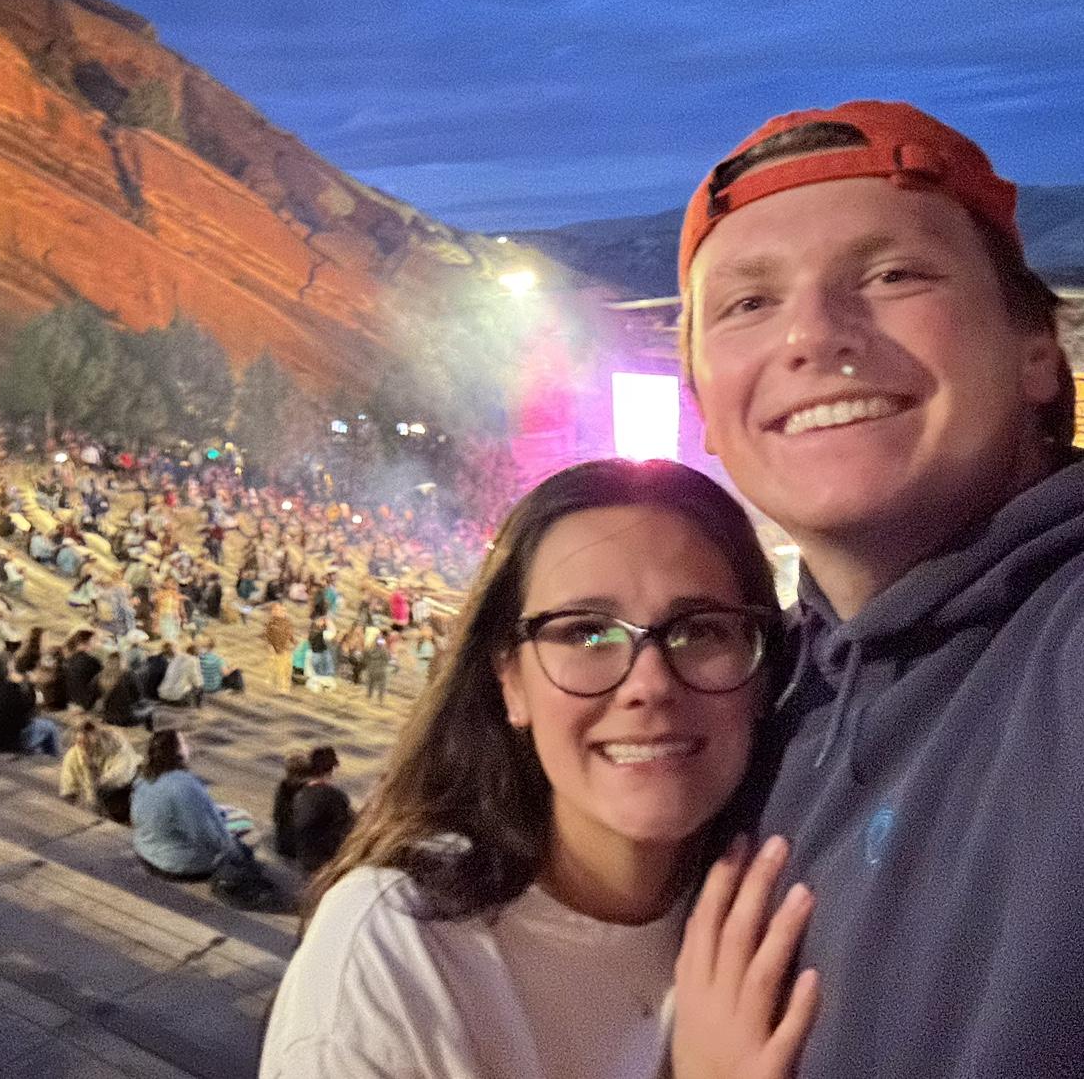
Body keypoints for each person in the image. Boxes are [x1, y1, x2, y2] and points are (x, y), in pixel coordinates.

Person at [674, 99, 1084, 1079]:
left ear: (1038, 350)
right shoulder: (751, 707)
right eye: (747, 303)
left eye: (895, 274)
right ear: (707, 412)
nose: (813, 336)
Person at [261, 459, 803, 1079]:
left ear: (763, 674)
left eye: (701, 630)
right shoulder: (396, 952)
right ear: (511, 682)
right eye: (586, 633)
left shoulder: (792, 910)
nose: (649, 684)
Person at [131, 728, 249, 881]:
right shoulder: (185, 785)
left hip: (146, 851)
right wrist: (236, 853)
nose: (188, 747)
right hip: (178, 864)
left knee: (224, 812)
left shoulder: (144, 779)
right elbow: (207, 835)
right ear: (177, 752)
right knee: (244, 822)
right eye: (184, 743)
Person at [0, 657, 62, 756]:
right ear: (7, 671)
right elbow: (28, 713)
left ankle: (40, 753)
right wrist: (31, 685)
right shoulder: (12, 689)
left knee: (39, 728)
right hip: (7, 742)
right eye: (12, 669)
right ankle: (55, 758)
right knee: (49, 726)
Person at [59, 718, 141, 822]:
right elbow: (68, 789)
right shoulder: (73, 756)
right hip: (96, 799)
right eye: (80, 742)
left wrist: (96, 779)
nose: (84, 746)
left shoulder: (116, 745)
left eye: (87, 741)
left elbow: (123, 774)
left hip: (121, 790)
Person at [290, 745, 354, 877]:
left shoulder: (300, 794)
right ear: (331, 770)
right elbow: (348, 830)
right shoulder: (335, 796)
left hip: (302, 856)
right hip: (323, 862)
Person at [272, 751, 313, 860]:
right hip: (299, 848)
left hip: (283, 844)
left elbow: (277, 816)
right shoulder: (308, 790)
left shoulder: (283, 787)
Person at [99, 652, 153, 727]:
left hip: (108, 717)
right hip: (125, 719)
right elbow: (138, 697)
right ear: (123, 662)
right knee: (152, 709)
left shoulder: (101, 675)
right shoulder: (130, 675)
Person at [157, 641, 204, 707]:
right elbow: (196, 681)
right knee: (200, 686)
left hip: (163, 695)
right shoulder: (193, 660)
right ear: (197, 653)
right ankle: (197, 707)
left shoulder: (176, 657)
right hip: (177, 698)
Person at [263, 603, 295, 694]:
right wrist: (270, 646)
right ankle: (281, 687)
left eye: (281, 610)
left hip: (286, 649)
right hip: (277, 649)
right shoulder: (271, 623)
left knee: (287, 669)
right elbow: (267, 635)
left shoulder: (287, 622)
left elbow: (290, 634)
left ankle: (286, 687)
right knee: (279, 668)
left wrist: (294, 643)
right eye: (276, 610)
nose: (279, 612)